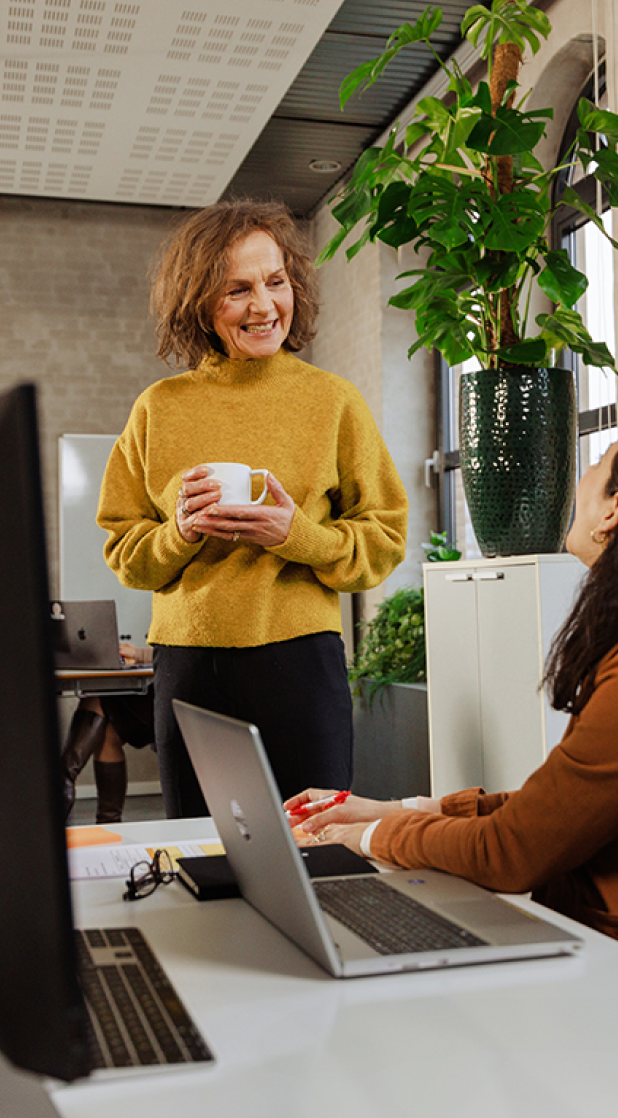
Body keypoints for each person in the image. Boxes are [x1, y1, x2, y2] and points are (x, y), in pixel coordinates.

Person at [289, 399, 618, 979]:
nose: (581, 477)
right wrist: (400, 809)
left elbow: (512, 852)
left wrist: (372, 837)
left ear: (614, 512)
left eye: (599, 462)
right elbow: (555, 811)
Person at [99, 199, 409, 819]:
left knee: (316, 841)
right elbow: (124, 551)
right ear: (198, 302)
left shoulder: (333, 402)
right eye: (237, 290)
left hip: (301, 659)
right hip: (189, 665)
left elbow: (385, 537)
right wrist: (179, 533)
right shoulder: (158, 408)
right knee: (201, 846)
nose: (265, 306)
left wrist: (297, 535)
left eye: (276, 282)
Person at [61, 640, 153, 824]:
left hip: (176, 694)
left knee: (100, 695)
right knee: (109, 732)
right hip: (159, 682)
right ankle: (108, 822)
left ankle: (63, 778)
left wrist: (140, 655)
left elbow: (182, 654)